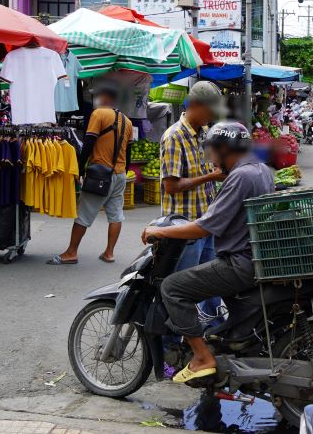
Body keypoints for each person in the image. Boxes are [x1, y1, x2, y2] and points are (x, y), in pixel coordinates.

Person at [141, 122, 274, 383]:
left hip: (239, 262)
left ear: (225, 149)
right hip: (253, 256)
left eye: (213, 152)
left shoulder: (240, 177)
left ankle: (202, 356)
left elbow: (205, 227)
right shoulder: (260, 170)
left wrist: (160, 232)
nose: (211, 159)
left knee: (172, 287)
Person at [48, 85, 132, 265]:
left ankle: (71, 252)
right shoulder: (127, 121)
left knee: (84, 215)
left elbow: (88, 143)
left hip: (99, 174)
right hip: (119, 174)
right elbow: (129, 151)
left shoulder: (99, 114)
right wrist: (122, 170)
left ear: (106, 98)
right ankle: (109, 253)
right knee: (116, 215)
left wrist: (79, 168)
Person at [161, 81, 229, 278]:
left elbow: (211, 168)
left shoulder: (205, 133)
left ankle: (212, 311)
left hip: (207, 222)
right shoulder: (174, 137)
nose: (211, 117)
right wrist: (211, 176)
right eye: (209, 112)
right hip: (185, 226)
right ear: (195, 105)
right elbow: (171, 186)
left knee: (211, 281)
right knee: (187, 282)